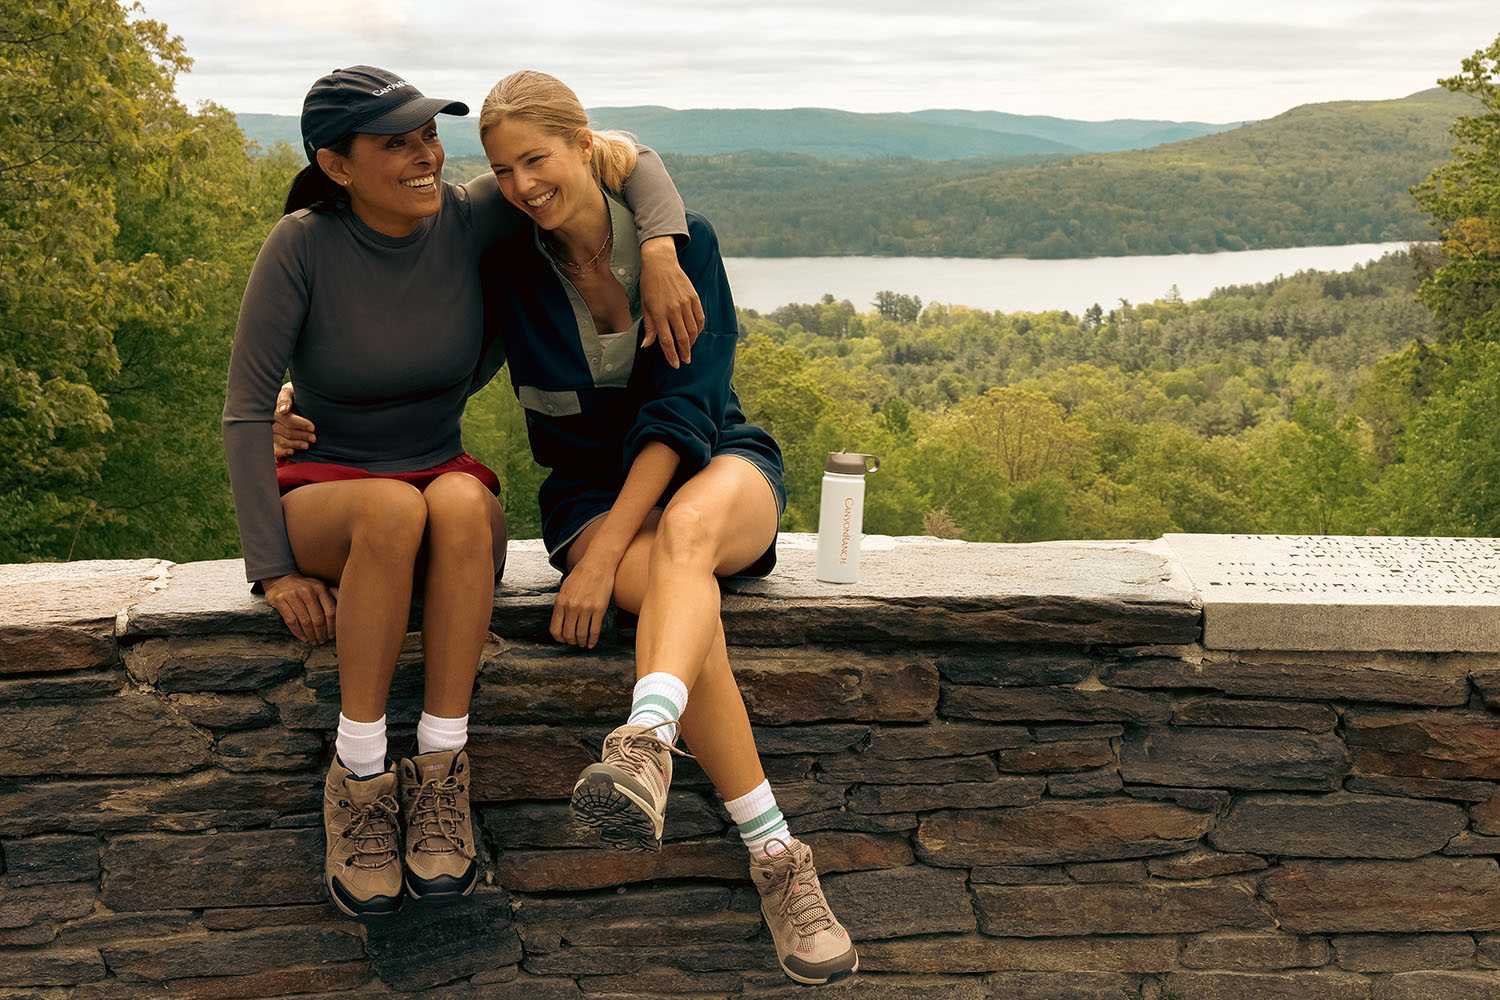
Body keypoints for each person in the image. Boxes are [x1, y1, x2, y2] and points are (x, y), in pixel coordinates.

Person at [223, 65, 696, 920]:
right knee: (395, 507)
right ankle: (361, 773)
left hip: (439, 473)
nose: (423, 157)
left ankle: (442, 769)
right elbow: (248, 410)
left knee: (450, 502)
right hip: (330, 487)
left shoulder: (472, 213)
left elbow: (633, 159)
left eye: (427, 137)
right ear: (337, 166)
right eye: (394, 144)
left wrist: (659, 249)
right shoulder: (302, 244)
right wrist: (273, 570)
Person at [477, 70, 859, 986]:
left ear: (580, 144)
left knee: (686, 537)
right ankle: (777, 859)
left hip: (717, 466)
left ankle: (644, 739)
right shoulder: (507, 267)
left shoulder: (685, 246)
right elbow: (435, 359)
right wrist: (315, 411)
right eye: (503, 170)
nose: (524, 184)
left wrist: (608, 552)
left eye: (537, 158)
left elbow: (684, 411)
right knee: (693, 624)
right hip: (587, 497)